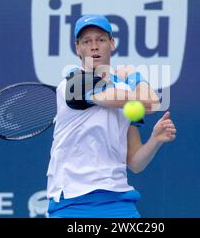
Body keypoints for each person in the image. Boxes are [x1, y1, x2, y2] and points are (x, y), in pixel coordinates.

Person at [46, 14, 177, 218]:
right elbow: (149, 101)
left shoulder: (125, 89)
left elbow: (135, 162)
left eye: (100, 39)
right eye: (87, 41)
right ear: (77, 48)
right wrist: (133, 80)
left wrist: (155, 140)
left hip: (118, 199)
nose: (94, 46)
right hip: (72, 201)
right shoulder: (72, 83)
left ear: (112, 43)